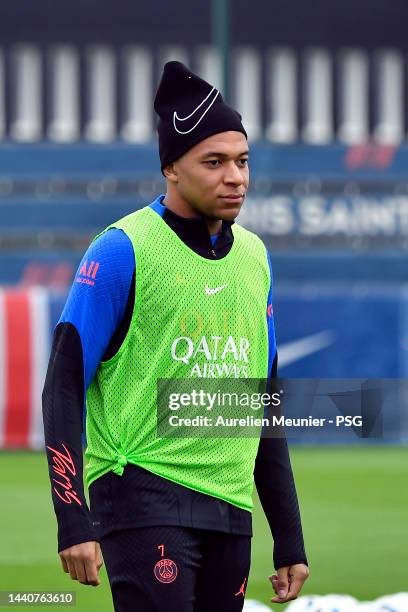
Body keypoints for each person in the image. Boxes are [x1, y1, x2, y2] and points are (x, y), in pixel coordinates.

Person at [42, 61, 309, 611]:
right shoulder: (121, 250)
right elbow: (62, 386)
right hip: (142, 494)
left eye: (241, 161)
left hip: (231, 507)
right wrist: (73, 517)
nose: (234, 177)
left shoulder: (255, 258)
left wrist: (290, 536)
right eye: (213, 162)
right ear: (171, 167)